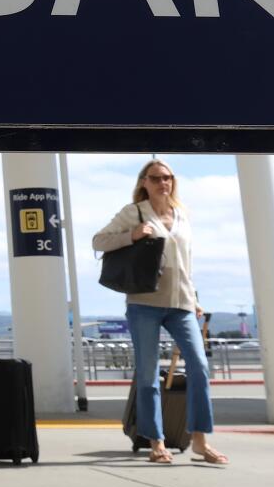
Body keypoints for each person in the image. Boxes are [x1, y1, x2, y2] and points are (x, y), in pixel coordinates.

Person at [92, 159, 229, 465]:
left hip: (181, 304)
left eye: (167, 178)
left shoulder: (182, 215)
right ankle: (156, 442)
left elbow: (186, 261)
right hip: (144, 303)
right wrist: (133, 235)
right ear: (144, 182)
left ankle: (199, 440)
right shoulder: (134, 213)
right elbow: (98, 241)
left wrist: (193, 297)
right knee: (148, 373)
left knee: (200, 367)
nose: (162, 183)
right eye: (155, 178)